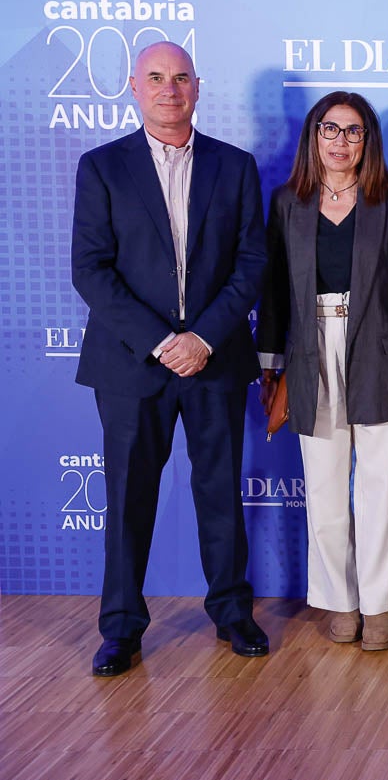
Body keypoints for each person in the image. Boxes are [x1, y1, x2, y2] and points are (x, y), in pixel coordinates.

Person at [72, 41, 268, 676]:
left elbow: (251, 264)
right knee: (129, 496)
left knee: (220, 489)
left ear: (198, 87)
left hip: (214, 358)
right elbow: (91, 271)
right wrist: (162, 342)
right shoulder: (101, 167)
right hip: (132, 363)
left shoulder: (235, 167)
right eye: (155, 78)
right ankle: (122, 627)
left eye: (180, 78)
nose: (169, 89)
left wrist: (202, 339)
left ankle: (232, 611)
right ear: (134, 87)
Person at [256, 91, 388, 651]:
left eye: (353, 131)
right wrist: (270, 363)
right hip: (310, 351)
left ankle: (380, 605)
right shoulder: (289, 201)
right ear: (314, 137)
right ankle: (342, 602)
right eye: (329, 130)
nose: (340, 141)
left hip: (381, 351)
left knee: (383, 486)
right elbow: (275, 290)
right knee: (327, 489)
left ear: (368, 141)